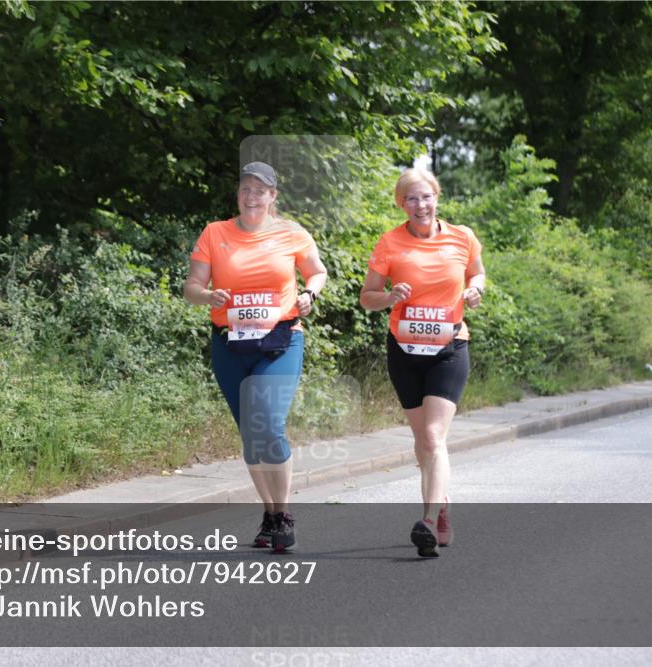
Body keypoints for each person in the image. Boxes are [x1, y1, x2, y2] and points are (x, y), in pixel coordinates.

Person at [183, 161, 328, 553]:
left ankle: (283, 514)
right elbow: (191, 286)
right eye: (246, 189)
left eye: (259, 190)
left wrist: (310, 294)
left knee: (268, 422)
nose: (251, 196)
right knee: (251, 433)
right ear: (238, 193)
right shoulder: (215, 233)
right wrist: (207, 295)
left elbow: (317, 272)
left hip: (281, 339)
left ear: (272, 196)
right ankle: (268, 512)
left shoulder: (291, 233)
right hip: (230, 343)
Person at [359, 167, 485, 558]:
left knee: (433, 437)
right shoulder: (389, 242)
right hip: (404, 351)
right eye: (411, 198)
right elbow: (367, 297)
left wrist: (475, 288)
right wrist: (391, 297)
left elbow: (477, 272)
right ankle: (442, 503)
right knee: (422, 442)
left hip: (449, 348)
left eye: (426, 196)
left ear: (437, 198)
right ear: (402, 204)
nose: (420, 205)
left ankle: (428, 521)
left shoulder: (462, 237)